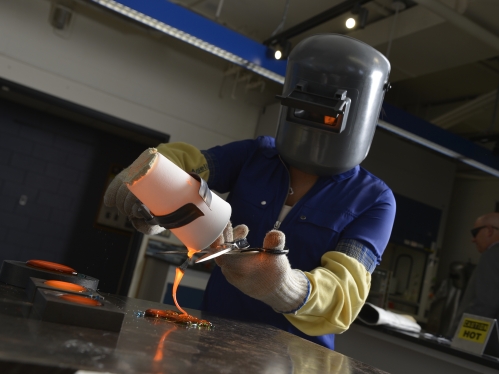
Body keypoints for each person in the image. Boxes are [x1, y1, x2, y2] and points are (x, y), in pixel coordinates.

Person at [104, 34, 396, 350]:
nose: (315, 124)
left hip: (294, 360)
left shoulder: (374, 200)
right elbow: (189, 164)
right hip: (215, 342)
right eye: (306, 109)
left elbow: (343, 293)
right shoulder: (255, 156)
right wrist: (150, 177)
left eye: (327, 115)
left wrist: (285, 286)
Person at [447, 212, 499, 338]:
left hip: (484, 347)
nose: (473, 239)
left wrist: (459, 339)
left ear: (489, 230)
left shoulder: (492, 255)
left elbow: (484, 305)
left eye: (475, 233)